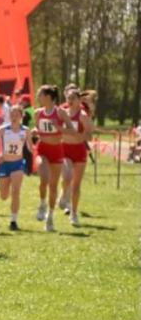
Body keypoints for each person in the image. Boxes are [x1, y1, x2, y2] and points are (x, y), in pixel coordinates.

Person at [32, 85, 74, 232]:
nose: (38, 97)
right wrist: (35, 131)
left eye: (40, 95)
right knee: (44, 178)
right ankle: (42, 204)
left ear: (48, 96)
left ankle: (50, 216)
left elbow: (72, 130)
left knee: (53, 185)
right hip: (42, 149)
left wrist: (59, 128)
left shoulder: (61, 112)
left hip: (56, 150)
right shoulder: (37, 113)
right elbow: (38, 129)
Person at [59, 89, 92, 226]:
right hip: (65, 149)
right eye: (68, 98)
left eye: (73, 98)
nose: (70, 100)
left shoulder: (83, 116)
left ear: (79, 100)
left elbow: (89, 135)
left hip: (79, 150)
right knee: (67, 178)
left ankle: (73, 213)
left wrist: (79, 136)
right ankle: (63, 195)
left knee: (76, 185)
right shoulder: (62, 114)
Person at [0, 105, 29, 230]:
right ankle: (1, 186)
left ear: (21, 116)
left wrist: (36, 152)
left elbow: (30, 147)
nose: (14, 117)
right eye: (12, 114)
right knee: (3, 196)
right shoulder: (2, 130)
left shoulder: (25, 131)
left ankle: (13, 221)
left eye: (17, 114)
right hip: (4, 164)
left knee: (16, 192)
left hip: (18, 163)